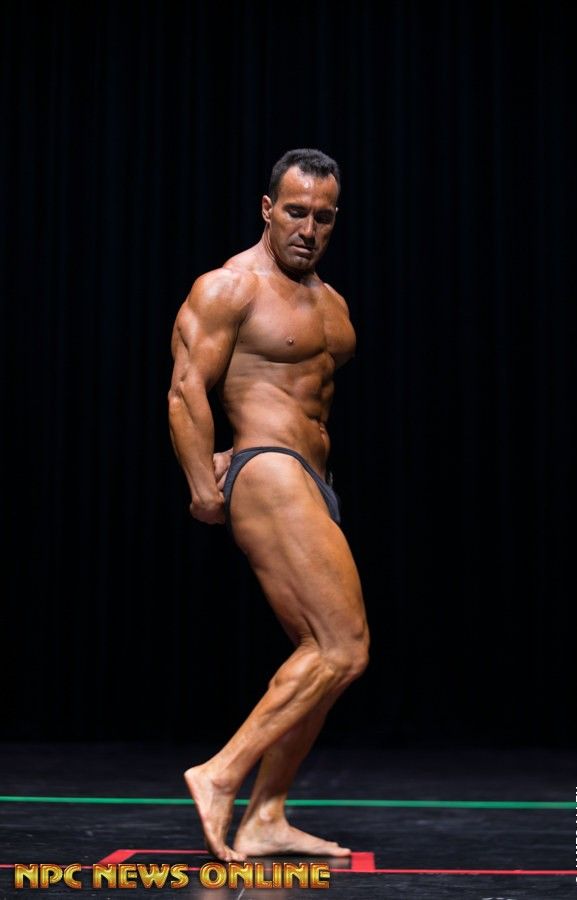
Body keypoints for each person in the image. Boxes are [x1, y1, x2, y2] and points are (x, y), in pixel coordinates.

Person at [167, 148, 370, 863]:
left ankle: (266, 815)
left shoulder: (331, 302)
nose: (308, 229)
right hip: (270, 471)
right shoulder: (229, 286)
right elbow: (187, 388)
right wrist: (202, 483)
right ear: (267, 208)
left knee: (317, 657)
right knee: (343, 647)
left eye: (324, 217)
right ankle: (220, 773)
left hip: (312, 478)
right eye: (295, 212)